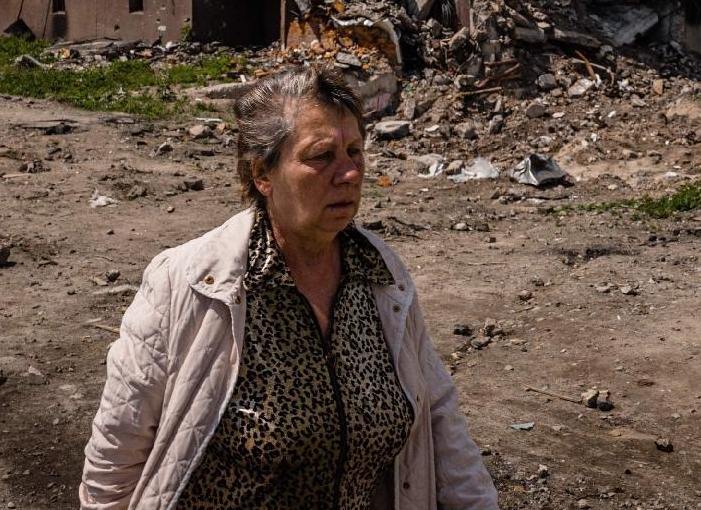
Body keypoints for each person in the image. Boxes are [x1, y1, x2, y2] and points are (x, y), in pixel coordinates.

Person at [80, 66, 497, 510]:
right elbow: (113, 465)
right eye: (322, 156)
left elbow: (439, 420)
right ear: (263, 174)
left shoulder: (381, 277)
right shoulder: (190, 285)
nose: (350, 174)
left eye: (355, 151)